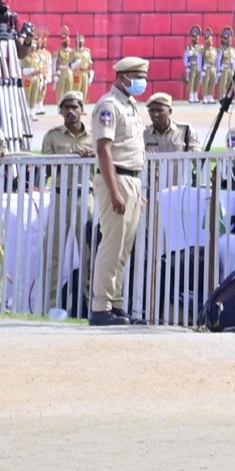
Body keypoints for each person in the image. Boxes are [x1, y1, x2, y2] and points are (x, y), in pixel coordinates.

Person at [88, 57, 151, 326]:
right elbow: (104, 149)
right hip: (117, 177)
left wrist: (137, 191)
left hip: (133, 180)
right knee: (112, 243)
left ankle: (115, 303)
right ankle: (100, 305)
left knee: (124, 247)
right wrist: (115, 191)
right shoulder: (109, 106)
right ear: (123, 76)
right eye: (138, 76)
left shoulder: (130, 106)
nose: (141, 82)